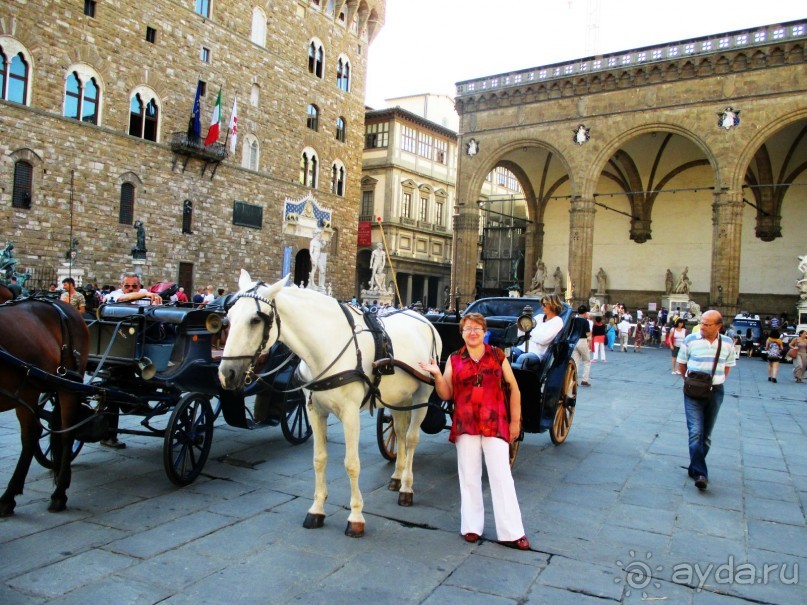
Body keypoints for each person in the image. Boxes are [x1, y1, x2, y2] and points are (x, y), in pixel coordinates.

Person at [418, 313, 530, 551]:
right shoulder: (454, 359)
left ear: (484, 331)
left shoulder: (497, 356)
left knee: (501, 476)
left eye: (477, 328)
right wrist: (437, 375)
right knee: (469, 476)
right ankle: (471, 526)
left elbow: (514, 389)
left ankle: (512, 532)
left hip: (495, 421)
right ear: (462, 333)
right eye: (468, 329)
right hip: (466, 423)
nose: (472, 332)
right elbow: (446, 394)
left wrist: (515, 423)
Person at [677, 310, 736, 490]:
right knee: (695, 431)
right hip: (693, 391)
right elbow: (681, 365)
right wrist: (690, 382)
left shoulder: (727, 343)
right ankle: (701, 473)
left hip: (715, 391)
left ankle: (694, 466)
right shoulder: (690, 340)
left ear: (718, 326)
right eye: (701, 323)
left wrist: (715, 381)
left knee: (707, 436)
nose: (702, 326)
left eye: (707, 324)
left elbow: (727, 367)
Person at [572, 305, 592, 386]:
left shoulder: (574, 320)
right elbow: (588, 334)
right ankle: (584, 379)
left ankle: (574, 380)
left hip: (574, 341)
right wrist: (590, 342)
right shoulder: (585, 321)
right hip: (582, 341)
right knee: (586, 361)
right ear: (585, 313)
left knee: (575, 362)